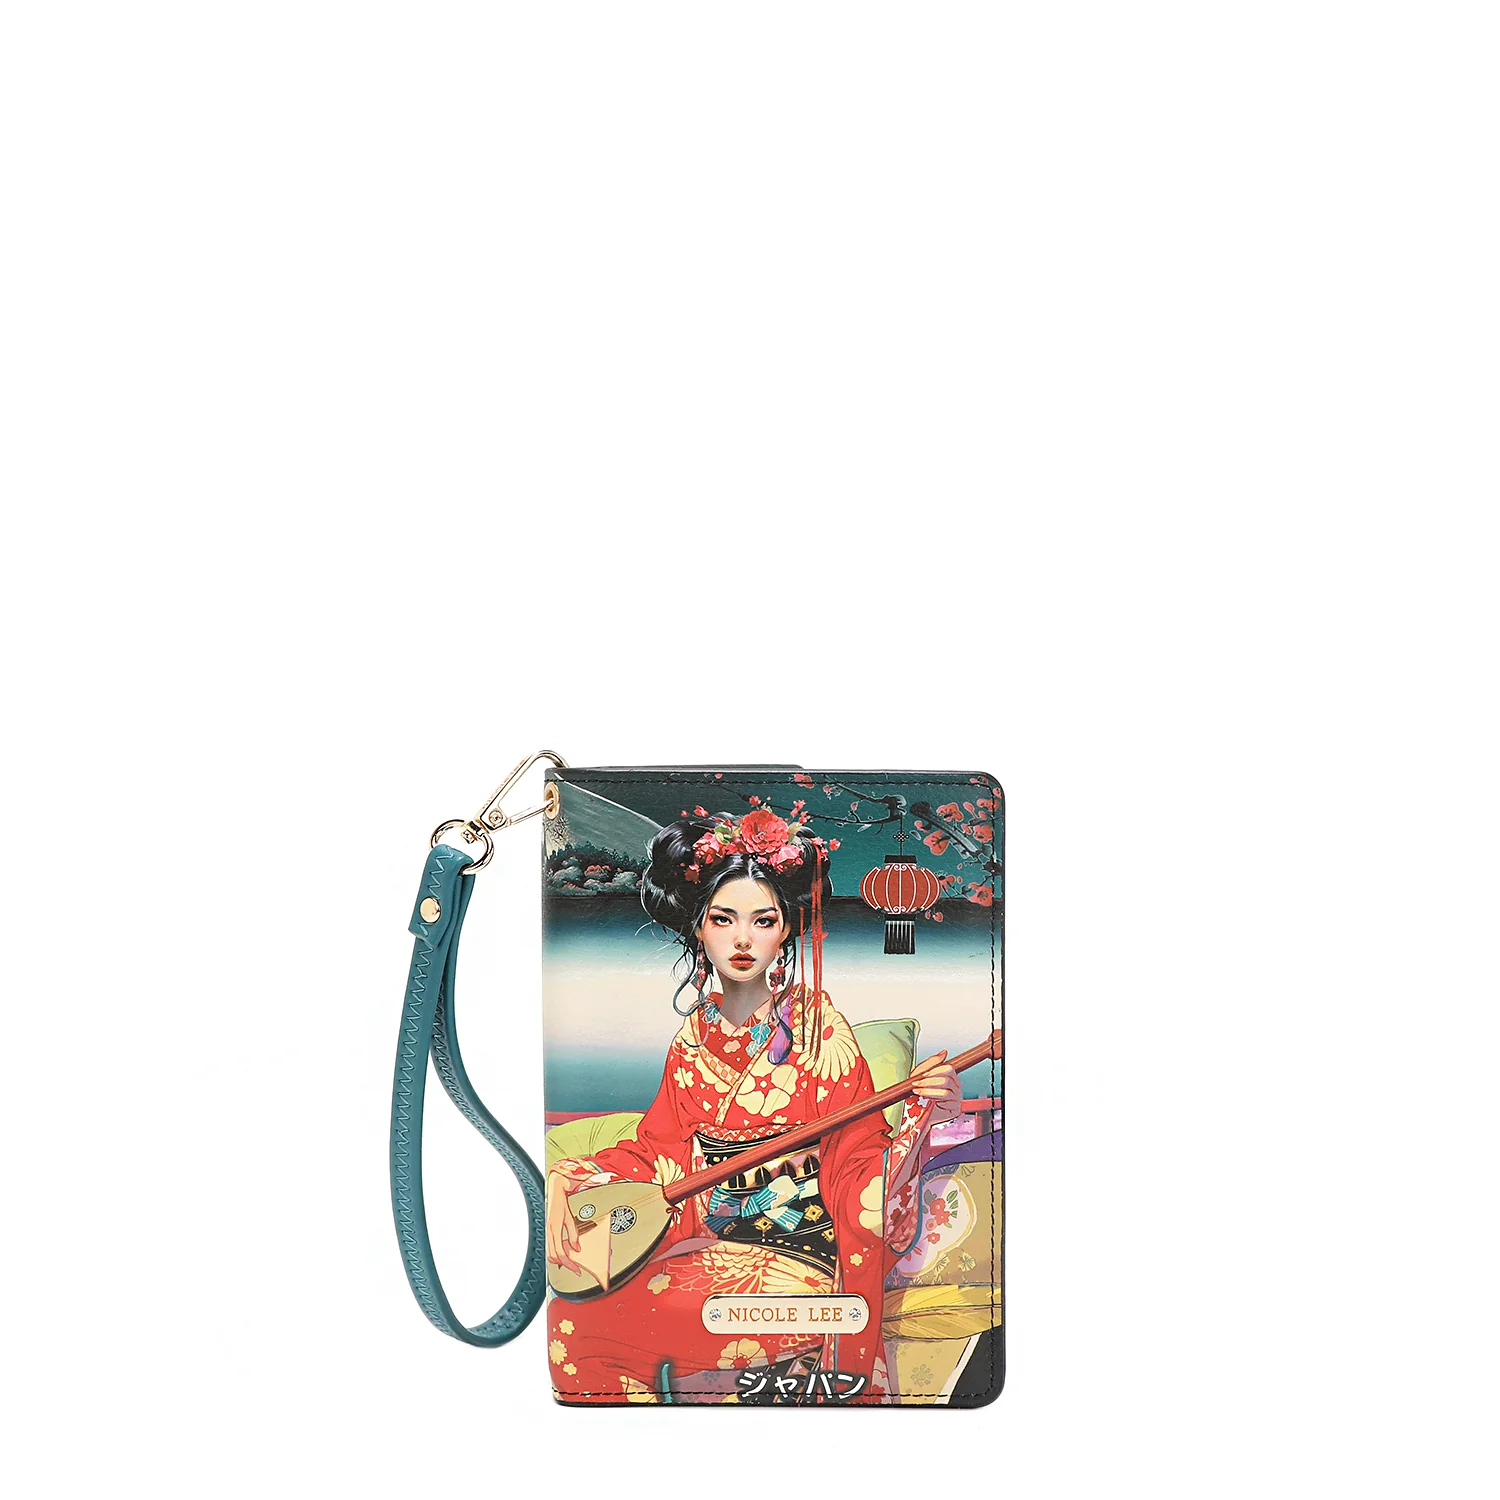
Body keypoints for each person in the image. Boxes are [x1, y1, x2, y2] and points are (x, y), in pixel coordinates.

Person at [544, 805, 961, 1404]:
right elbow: (657, 1153)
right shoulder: (691, 1042)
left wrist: (925, 1114)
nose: (743, 939)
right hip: (704, 1246)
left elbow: (859, 1160)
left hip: (804, 1260)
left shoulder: (822, 1031)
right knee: (574, 1317)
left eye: (763, 921)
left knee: (627, 1318)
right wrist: (580, 1175)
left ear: (785, 930)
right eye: (723, 919)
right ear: (699, 928)